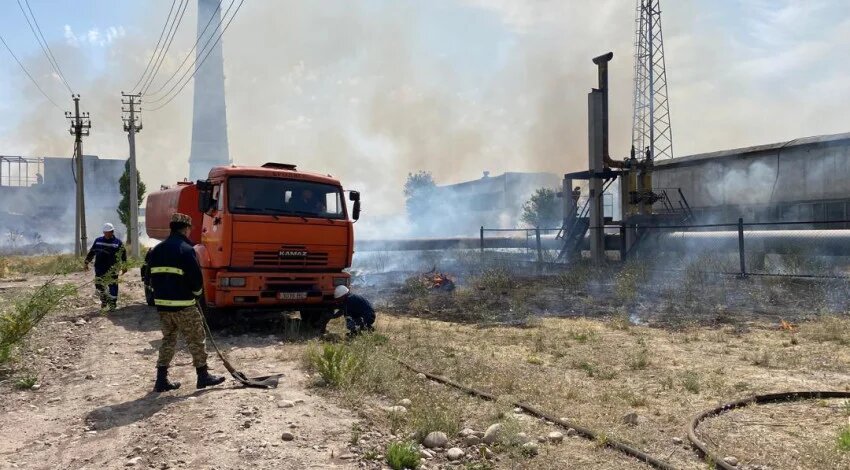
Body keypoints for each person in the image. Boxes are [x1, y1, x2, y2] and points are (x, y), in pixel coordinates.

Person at [145, 212, 225, 393]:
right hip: (184, 305)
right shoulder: (187, 250)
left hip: (163, 307)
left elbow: (149, 278)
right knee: (196, 339)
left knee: (168, 340)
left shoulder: (156, 250)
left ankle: (161, 380)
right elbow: (196, 281)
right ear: (186, 229)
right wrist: (196, 296)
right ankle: (203, 376)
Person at [84, 223, 127, 311]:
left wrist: (124, 266)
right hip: (100, 268)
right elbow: (92, 252)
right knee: (99, 286)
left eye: (109, 232)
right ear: (103, 232)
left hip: (113, 269)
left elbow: (123, 255)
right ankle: (104, 301)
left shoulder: (118, 243)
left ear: (112, 232)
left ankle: (112, 304)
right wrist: (86, 262)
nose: (107, 234)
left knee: (113, 287)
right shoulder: (98, 241)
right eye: (105, 232)